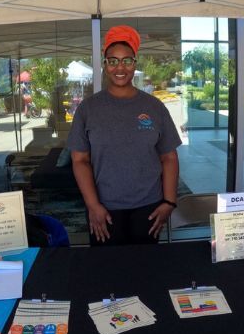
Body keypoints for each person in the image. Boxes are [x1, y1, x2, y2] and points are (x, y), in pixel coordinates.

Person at [69, 25, 182, 246]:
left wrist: (169, 201)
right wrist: (93, 206)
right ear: (105, 65)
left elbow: (169, 157)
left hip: (149, 209)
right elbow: (79, 160)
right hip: (104, 209)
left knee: (145, 273)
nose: (120, 67)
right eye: (113, 61)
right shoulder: (88, 109)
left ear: (134, 64)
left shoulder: (154, 107)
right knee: (108, 273)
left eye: (127, 60)